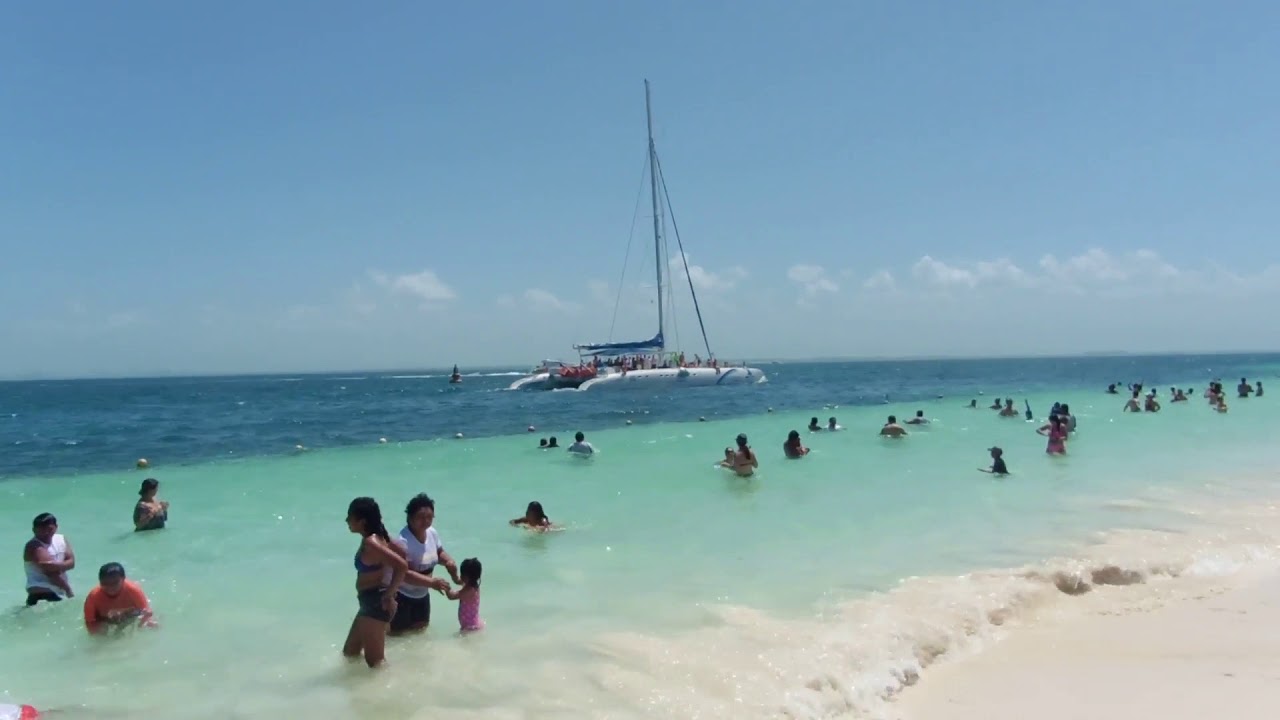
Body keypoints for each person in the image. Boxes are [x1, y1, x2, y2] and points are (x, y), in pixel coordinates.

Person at [343, 497, 408, 667]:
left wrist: (389, 593)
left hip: (374, 603)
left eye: (349, 516)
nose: (346, 520)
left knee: (376, 663)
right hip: (368, 602)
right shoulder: (380, 538)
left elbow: (402, 565)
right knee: (350, 652)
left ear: (362, 521)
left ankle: (391, 691)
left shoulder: (371, 543)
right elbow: (402, 553)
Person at [389, 494, 458, 636]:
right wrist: (432, 582)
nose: (426, 521)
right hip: (402, 596)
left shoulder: (432, 533)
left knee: (420, 634)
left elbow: (438, 552)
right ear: (410, 517)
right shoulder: (403, 542)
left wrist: (448, 561)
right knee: (398, 637)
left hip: (422, 596)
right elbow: (404, 574)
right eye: (421, 517)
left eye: (430, 517)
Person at [83, 562, 155, 634]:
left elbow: (146, 612)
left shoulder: (133, 590)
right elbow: (90, 622)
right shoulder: (93, 596)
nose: (110, 587)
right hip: (104, 618)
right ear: (100, 582)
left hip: (128, 615)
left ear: (123, 579)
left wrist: (143, 626)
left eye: (115, 582)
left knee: (151, 623)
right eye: (105, 583)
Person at [23, 513, 75, 605]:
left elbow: (72, 562)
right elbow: (50, 572)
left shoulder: (61, 539)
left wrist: (54, 566)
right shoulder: (34, 545)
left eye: (49, 529)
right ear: (34, 530)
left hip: (56, 592)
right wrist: (68, 590)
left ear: (56, 527)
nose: (46, 533)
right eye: (41, 530)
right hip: (40, 593)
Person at [441, 557, 484, 633]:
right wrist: (452, 573)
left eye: (462, 575)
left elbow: (452, 596)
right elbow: (457, 581)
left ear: (468, 577)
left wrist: (446, 587)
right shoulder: (472, 584)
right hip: (471, 624)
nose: (460, 576)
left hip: (470, 628)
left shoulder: (470, 590)